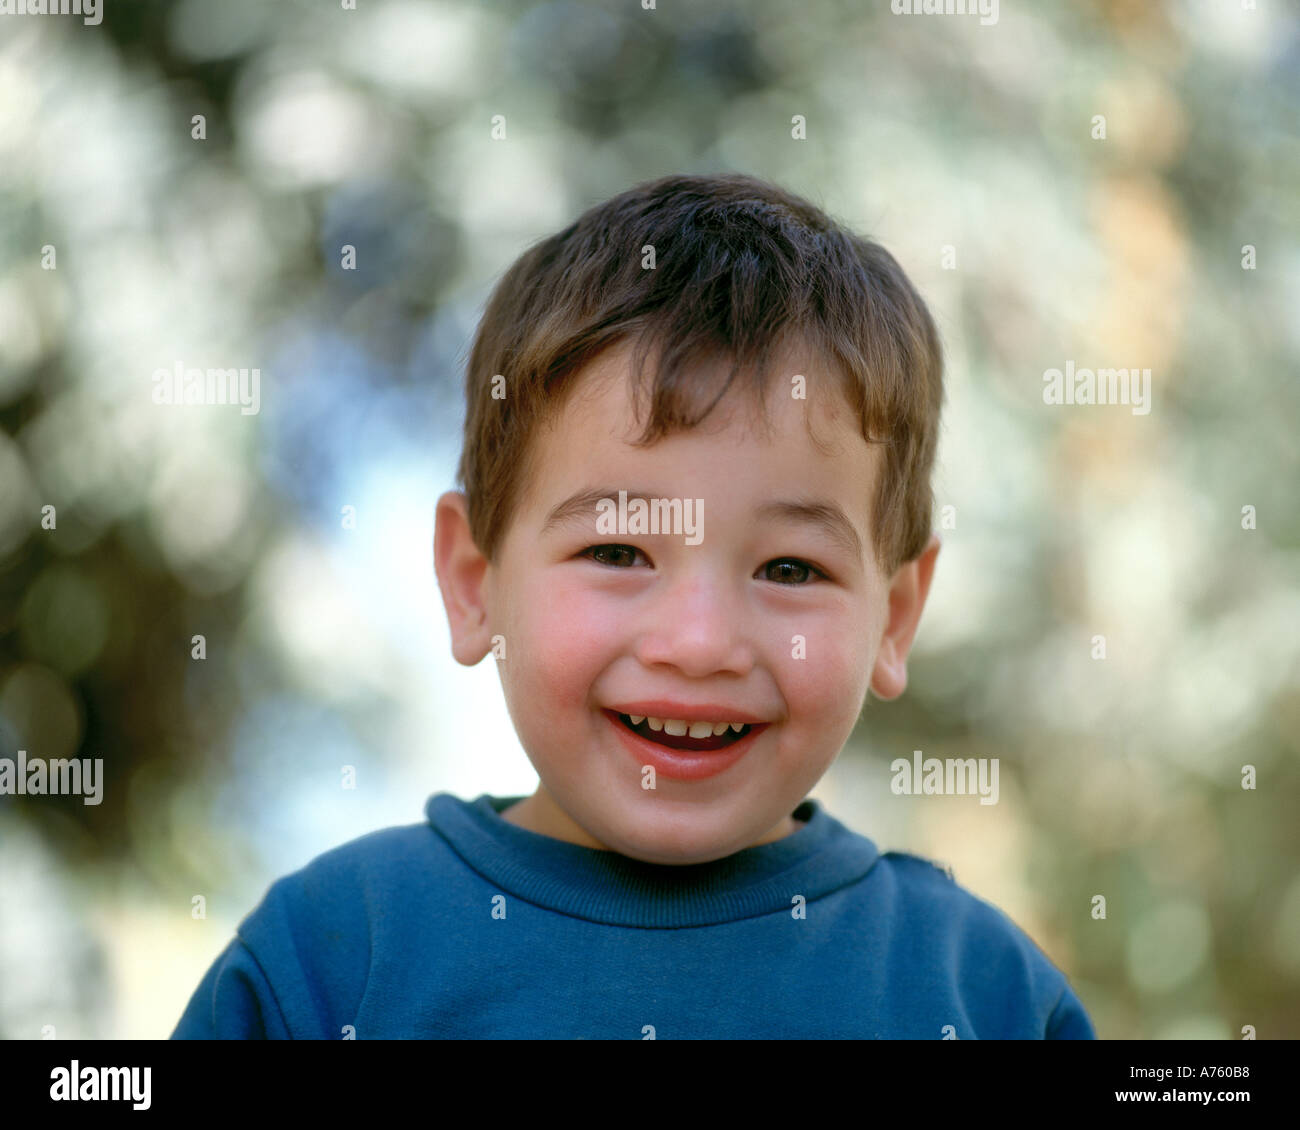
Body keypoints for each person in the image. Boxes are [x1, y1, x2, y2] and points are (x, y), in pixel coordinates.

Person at [172, 172, 1094, 1039]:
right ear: (473, 583)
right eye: (617, 551)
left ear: (893, 619)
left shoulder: (981, 994)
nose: (699, 644)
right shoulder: (332, 959)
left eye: (788, 570)